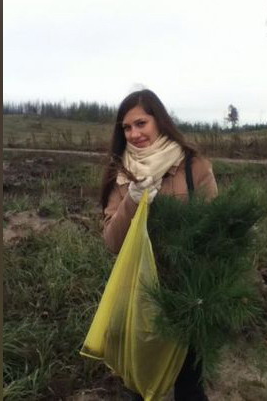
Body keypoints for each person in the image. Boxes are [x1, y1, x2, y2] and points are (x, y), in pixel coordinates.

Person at [99, 89, 217, 401]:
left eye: (141, 123)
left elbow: (214, 229)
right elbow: (112, 243)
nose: (134, 134)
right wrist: (132, 200)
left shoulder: (193, 166)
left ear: (160, 122)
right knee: (139, 382)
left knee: (190, 385)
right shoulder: (121, 172)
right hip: (139, 292)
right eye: (126, 127)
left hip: (186, 293)